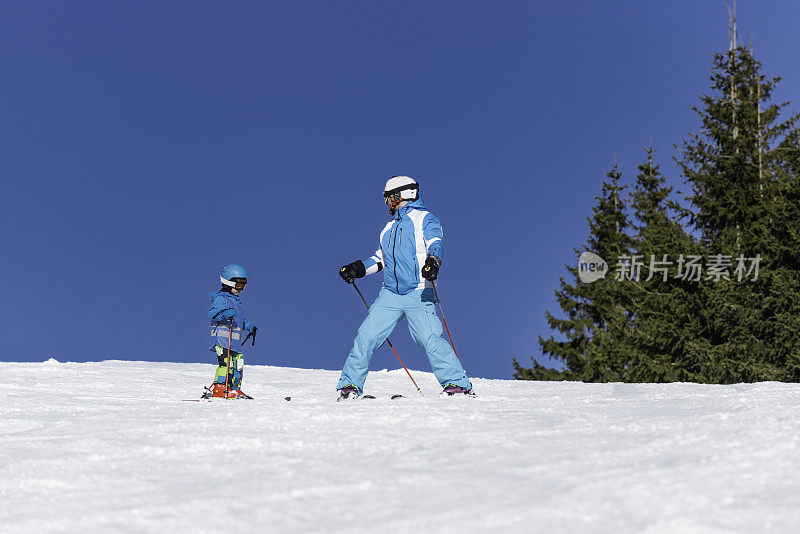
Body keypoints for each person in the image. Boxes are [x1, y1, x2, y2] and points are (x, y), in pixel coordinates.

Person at [336, 176, 473, 399]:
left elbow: (435, 243)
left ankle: (457, 384)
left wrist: (433, 262)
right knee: (366, 336)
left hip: (419, 290)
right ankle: (349, 386)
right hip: (390, 294)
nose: (387, 203)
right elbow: (380, 260)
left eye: (389, 198)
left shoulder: (425, 219)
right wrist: (357, 268)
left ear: (402, 195)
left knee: (428, 338)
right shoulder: (387, 229)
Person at [204, 263, 257, 399]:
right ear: (228, 282)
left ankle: (234, 389)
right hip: (222, 341)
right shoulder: (221, 298)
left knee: (238, 365)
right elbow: (212, 314)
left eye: (244, 285)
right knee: (226, 365)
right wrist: (225, 314)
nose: (241, 289)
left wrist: (249, 326)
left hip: (234, 343)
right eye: (239, 285)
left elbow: (239, 320)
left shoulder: (236, 302)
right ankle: (220, 388)